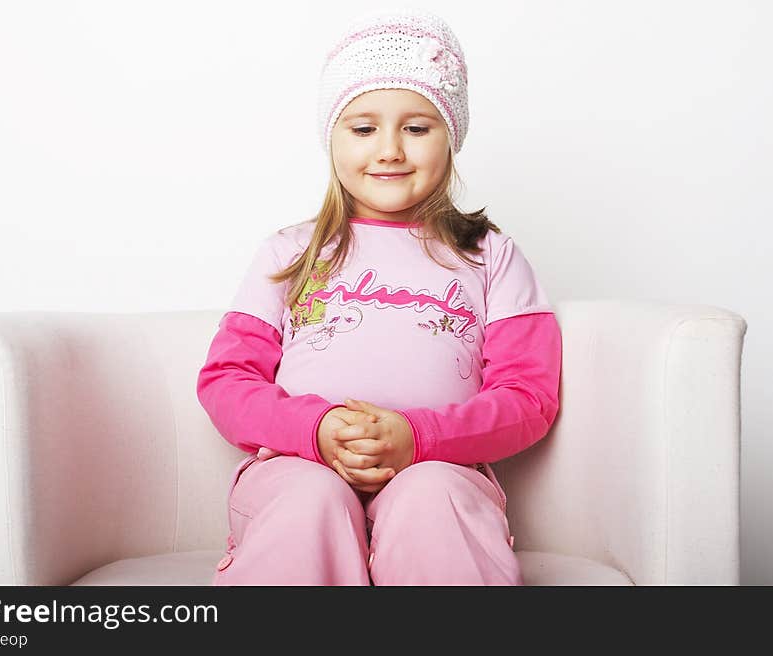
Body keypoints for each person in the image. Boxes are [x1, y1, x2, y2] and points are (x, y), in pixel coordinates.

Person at [196, 8, 561, 586]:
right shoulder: (287, 256)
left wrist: (417, 437)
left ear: (452, 136)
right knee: (306, 502)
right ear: (332, 139)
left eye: (416, 128)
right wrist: (314, 429)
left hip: (439, 467)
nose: (389, 150)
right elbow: (226, 381)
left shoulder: (492, 255)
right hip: (298, 466)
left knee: (433, 499)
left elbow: (528, 397)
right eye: (363, 128)